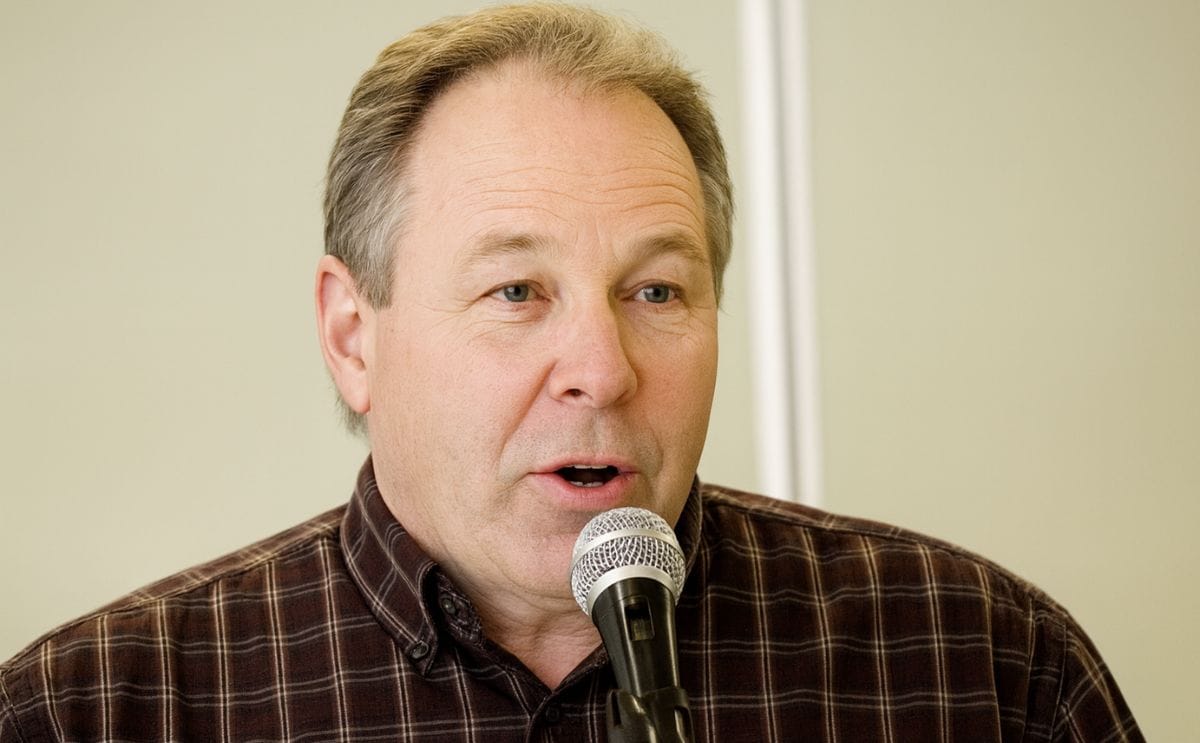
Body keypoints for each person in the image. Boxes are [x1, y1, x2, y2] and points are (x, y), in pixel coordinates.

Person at [0, 4, 1142, 741]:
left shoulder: (990, 670)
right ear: (355, 335)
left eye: (656, 291)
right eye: (517, 292)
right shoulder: (92, 709)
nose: (600, 370)